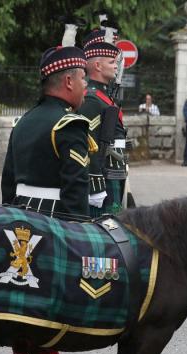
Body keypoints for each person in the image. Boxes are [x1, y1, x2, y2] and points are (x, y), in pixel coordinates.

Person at [0, 20, 96, 354]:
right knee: (50, 317)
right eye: (84, 79)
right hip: (55, 225)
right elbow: (75, 192)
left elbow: (7, 182)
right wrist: (83, 237)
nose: (88, 87)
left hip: (19, 221)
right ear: (69, 82)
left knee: (24, 312)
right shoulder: (69, 124)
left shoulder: (25, 121)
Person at [77, 25, 121, 217]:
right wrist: (95, 185)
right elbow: (89, 143)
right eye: (112, 62)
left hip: (114, 168)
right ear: (97, 66)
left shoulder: (104, 95)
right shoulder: (92, 99)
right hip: (103, 174)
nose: (116, 66)